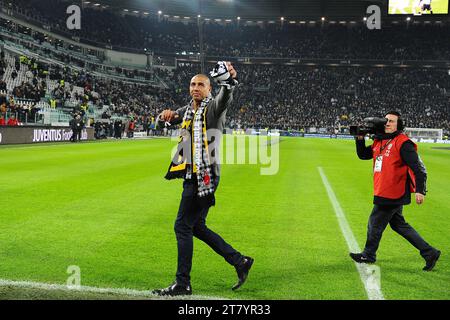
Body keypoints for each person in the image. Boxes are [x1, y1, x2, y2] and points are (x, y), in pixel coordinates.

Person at [152, 62, 253, 296]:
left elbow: (225, 96)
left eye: (201, 85)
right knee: (196, 226)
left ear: (209, 89)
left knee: (182, 226)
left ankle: (182, 283)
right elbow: (169, 118)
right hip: (193, 174)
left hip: (202, 176)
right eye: (192, 84)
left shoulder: (213, 109)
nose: (195, 88)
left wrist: (227, 82)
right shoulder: (188, 109)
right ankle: (240, 261)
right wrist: (164, 115)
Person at [350, 111, 440, 271]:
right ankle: (429, 252)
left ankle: (368, 254)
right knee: (399, 225)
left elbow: (417, 168)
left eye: (391, 121)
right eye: (386, 120)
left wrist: (420, 190)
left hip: (392, 193)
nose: (387, 123)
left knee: (374, 222)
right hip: (383, 190)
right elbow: (363, 155)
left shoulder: (403, 143)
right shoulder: (380, 142)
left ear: (399, 125)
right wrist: (359, 138)